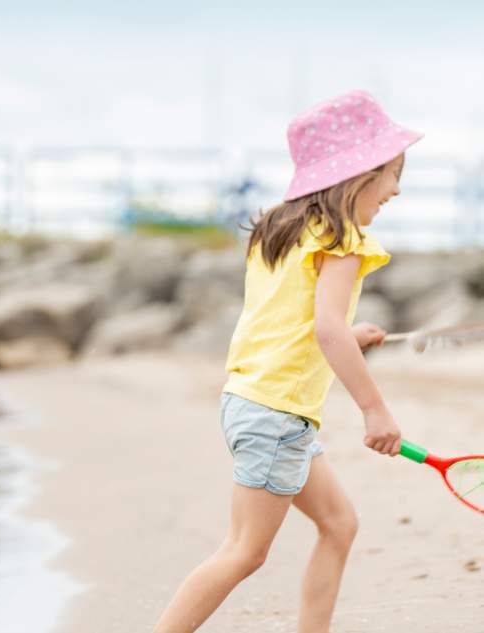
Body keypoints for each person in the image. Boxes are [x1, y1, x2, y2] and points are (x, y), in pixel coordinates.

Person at [151, 88, 424, 633]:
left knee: (339, 523)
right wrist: (376, 410)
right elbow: (324, 328)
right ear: (358, 173)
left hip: (252, 403)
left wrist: (351, 334)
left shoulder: (281, 228)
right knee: (245, 551)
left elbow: (294, 320)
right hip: (275, 414)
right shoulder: (345, 240)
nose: (395, 189)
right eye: (392, 172)